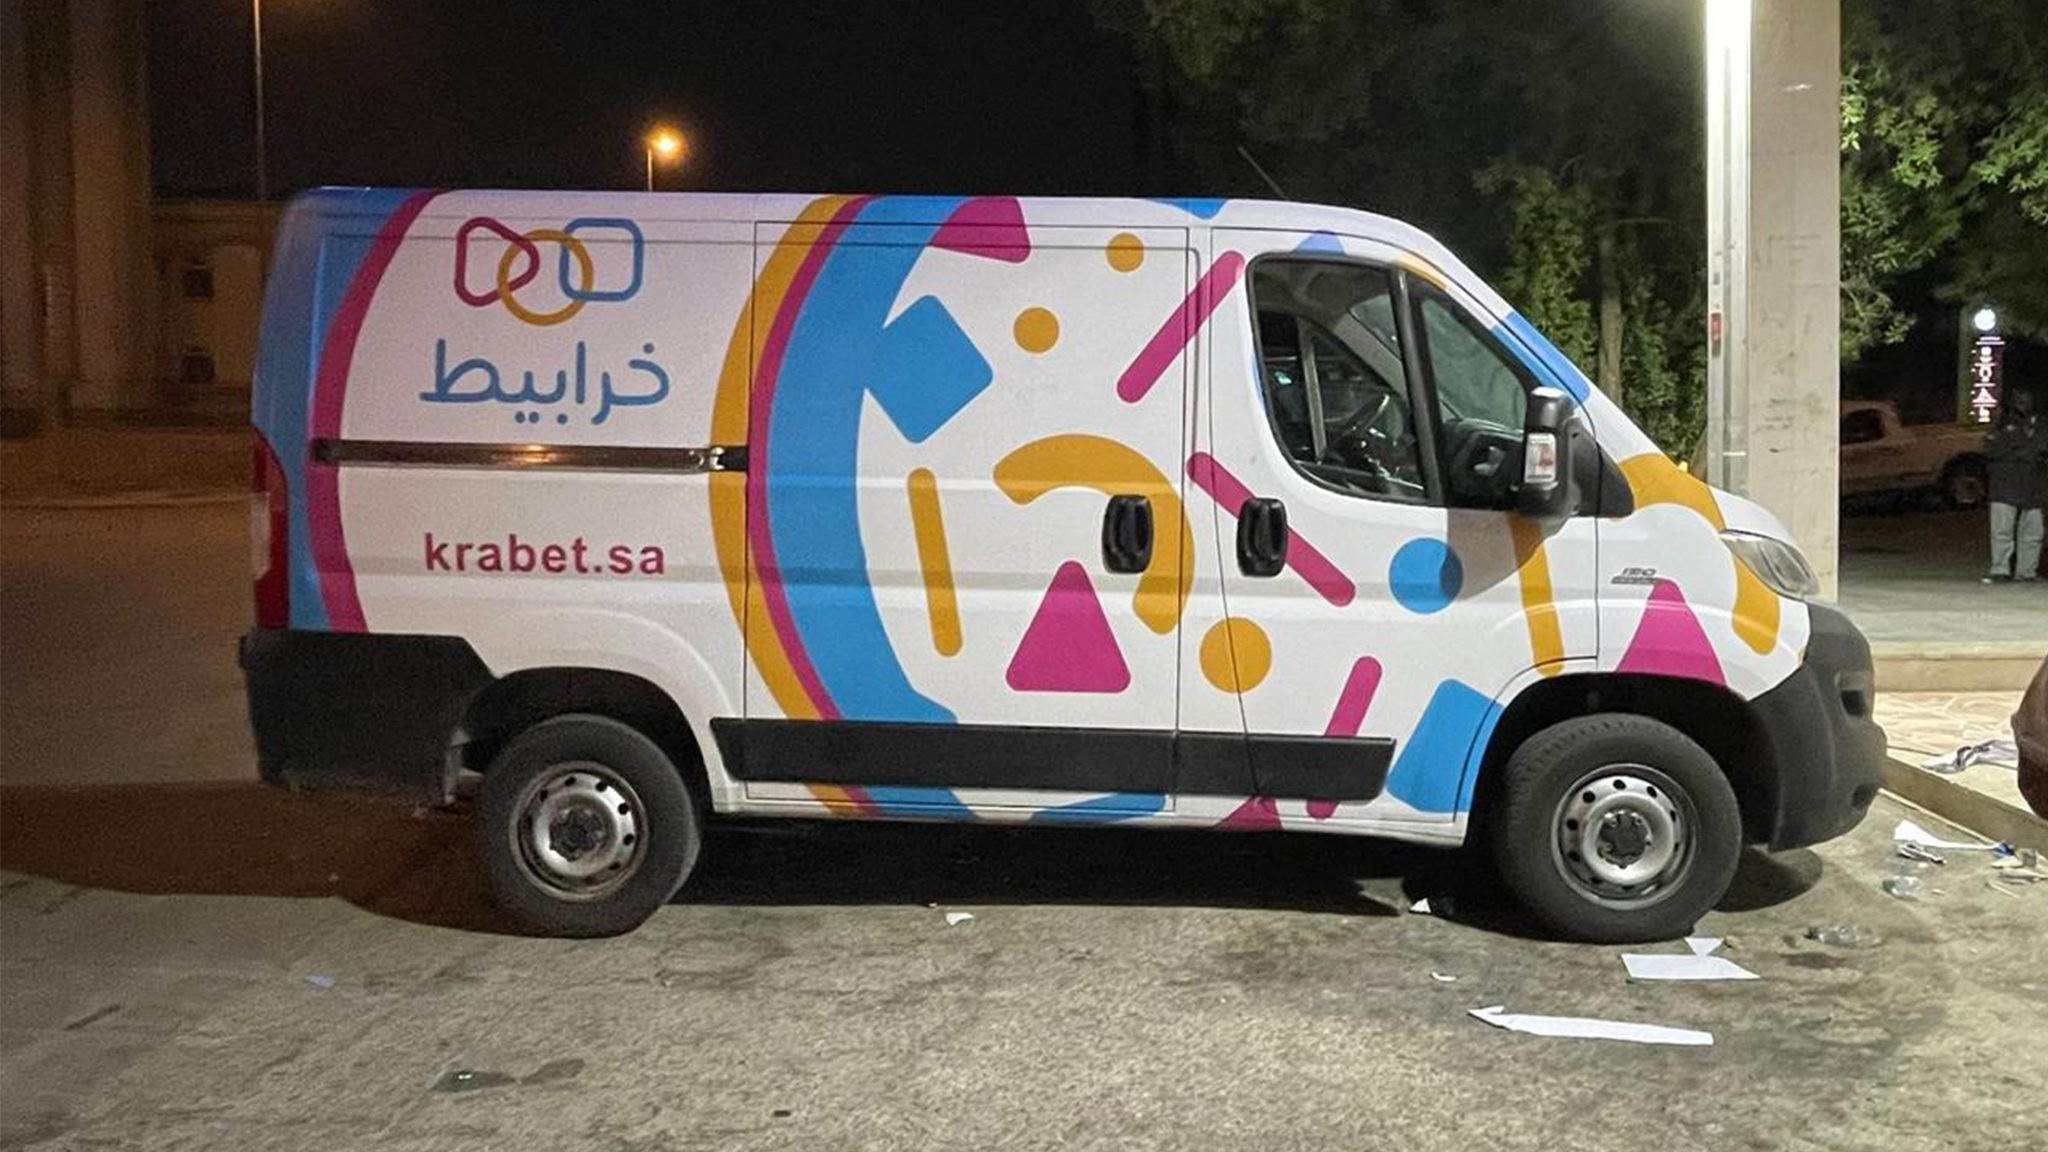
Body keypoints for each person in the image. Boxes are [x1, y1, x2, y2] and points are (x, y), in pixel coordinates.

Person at [1983, 387, 2045, 583]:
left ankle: (2027, 571)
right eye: (2019, 399)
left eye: (2027, 398)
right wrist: (2025, 450)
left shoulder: (2040, 423)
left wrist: (2021, 450)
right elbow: (1991, 449)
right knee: (2002, 530)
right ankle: (2000, 569)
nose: (2023, 403)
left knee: (2033, 532)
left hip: (2032, 485)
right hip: (2004, 483)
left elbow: (2042, 447)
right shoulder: (2001, 423)